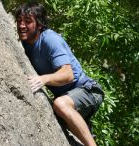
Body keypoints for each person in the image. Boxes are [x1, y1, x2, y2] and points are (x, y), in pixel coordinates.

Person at [15, 2, 104, 146]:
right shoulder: (27, 44)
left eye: (28, 21)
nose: (22, 25)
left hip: (88, 90)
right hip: (69, 96)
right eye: (19, 21)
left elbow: (68, 74)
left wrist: (44, 79)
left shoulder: (50, 39)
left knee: (60, 104)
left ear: (39, 24)